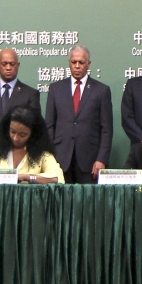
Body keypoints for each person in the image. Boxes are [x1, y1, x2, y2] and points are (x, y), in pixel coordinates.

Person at [45, 45, 113, 183]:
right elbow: (49, 125)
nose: (77, 66)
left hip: (90, 160)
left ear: (88, 63)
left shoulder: (101, 90)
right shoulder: (56, 89)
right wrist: (51, 156)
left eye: (81, 62)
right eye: (74, 62)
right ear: (69, 63)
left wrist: (101, 159)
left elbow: (106, 129)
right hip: (60, 158)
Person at [0, 106, 63, 183]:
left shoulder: (42, 154)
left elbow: (57, 178)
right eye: (12, 132)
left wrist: (26, 177)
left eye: (22, 135)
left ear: (33, 134)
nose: (15, 138)